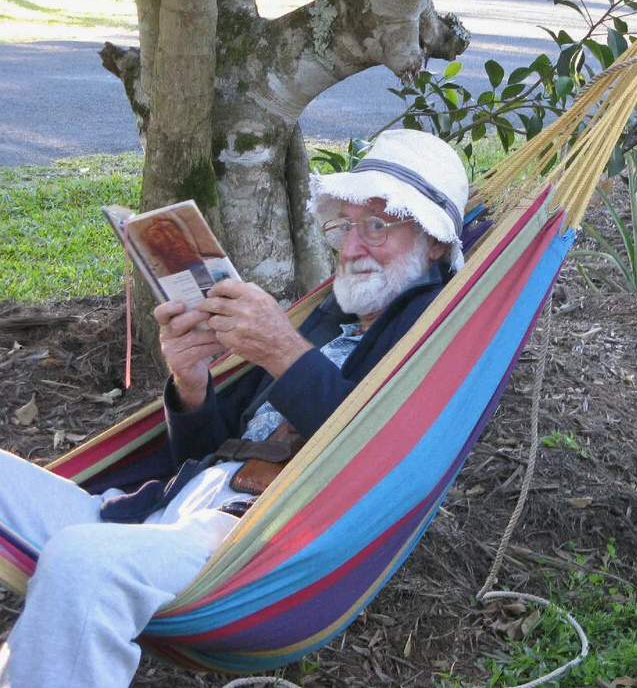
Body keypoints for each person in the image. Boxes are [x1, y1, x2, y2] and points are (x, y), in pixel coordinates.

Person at [0, 129, 470, 688]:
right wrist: (191, 383)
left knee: (83, 564)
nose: (350, 248)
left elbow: (377, 454)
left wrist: (283, 351)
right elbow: (208, 453)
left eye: (377, 226)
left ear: (436, 241)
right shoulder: (326, 320)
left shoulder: (438, 335)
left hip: (248, 550)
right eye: (344, 226)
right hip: (160, 514)